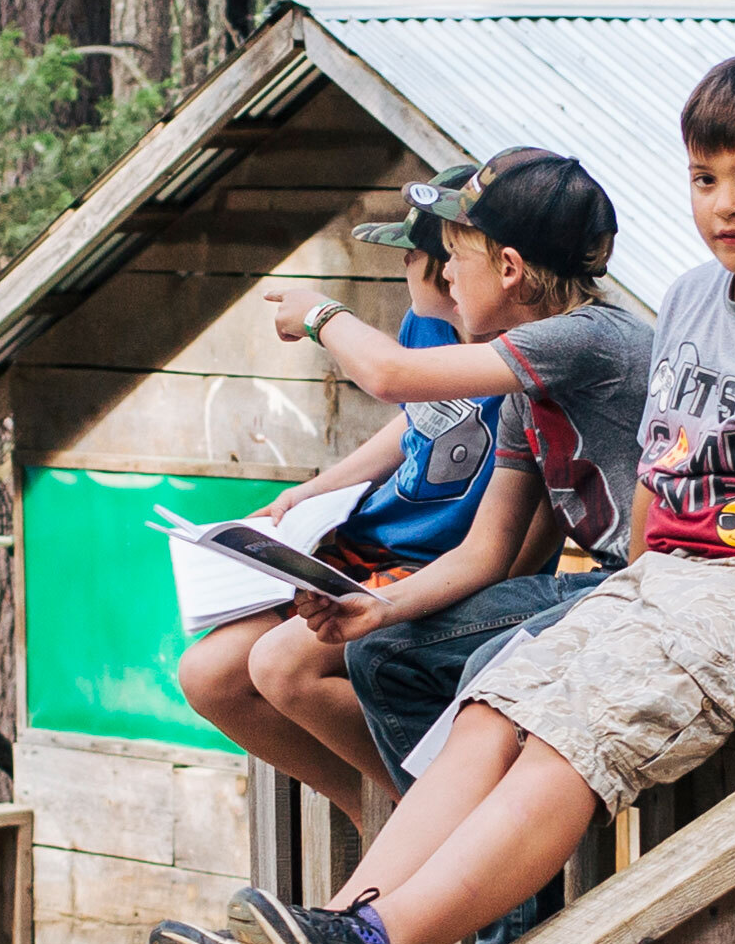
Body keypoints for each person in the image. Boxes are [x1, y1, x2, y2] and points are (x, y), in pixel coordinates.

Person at [164, 57, 735, 944]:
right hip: (668, 580)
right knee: (492, 701)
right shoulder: (692, 299)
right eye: (705, 179)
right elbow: (658, 469)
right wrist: (633, 585)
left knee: (572, 732)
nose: (726, 204)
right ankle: (331, 939)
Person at [259, 149, 644, 806]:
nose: (447, 278)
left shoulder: (583, 339)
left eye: (456, 260)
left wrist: (321, 315)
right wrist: (374, 608)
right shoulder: (528, 384)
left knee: (488, 678)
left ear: (510, 269)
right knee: (380, 654)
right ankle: (450, 841)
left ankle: (479, 864)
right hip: (613, 585)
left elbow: (389, 378)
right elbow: (485, 553)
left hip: (649, 588)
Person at [168, 222, 526, 823]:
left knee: (281, 664)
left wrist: (319, 314)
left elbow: (517, 538)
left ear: (449, 266)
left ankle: (431, 817)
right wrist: (310, 491)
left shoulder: (521, 359)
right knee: (207, 675)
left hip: (436, 572)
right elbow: (418, 421)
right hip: (368, 549)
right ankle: (370, 813)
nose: (406, 268)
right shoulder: (427, 327)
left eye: (410, 255)